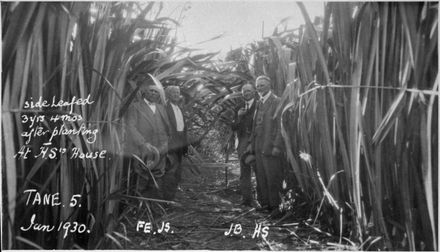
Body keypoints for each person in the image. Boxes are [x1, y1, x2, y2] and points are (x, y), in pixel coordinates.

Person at [125, 80, 171, 199]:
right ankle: (139, 207)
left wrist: (166, 143)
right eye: (151, 90)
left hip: (161, 148)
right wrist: (143, 143)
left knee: (158, 176)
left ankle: (154, 206)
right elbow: (131, 126)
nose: (154, 94)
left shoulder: (161, 108)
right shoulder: (135, 107)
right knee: (143, 176)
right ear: (145, 92)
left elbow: (167, 127)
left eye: (156, 92)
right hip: (144, 149)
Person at [249, 75, 284, 216]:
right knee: (261, 176)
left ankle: (275, 207)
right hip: (258, 146)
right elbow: (254, 126)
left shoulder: (276, 101)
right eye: (257, 86)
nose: (259, 88)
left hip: (270, 147)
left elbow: (281, 126)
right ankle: (266, 204)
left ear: (269, 85)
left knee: (272, 176)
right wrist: (252, 146)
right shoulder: (258, 102)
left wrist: (277, 145)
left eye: (262, 85)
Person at [231, 83, 258, 207]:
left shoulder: (259, 104)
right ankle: (247, 200)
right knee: (244, 171)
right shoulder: (238, 107)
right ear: (242, 94)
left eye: (249, 90)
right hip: (242, 141)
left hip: (257, 141)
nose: (246, 93)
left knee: (259, 170)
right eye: (244, 91)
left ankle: (262, 199)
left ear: (254, 91)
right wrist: (239, 117)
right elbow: (233, 127)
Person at [162, 85, 188, 200]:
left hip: (180, 144)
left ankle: (172, 196)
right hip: (170, 144)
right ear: (168, 94)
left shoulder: (179, 108)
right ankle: (167, 198)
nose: (176, 95)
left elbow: (183, 128)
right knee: (170, 171)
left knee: (177, 171)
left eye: (178, 92)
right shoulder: (164, 108)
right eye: (174, 93)